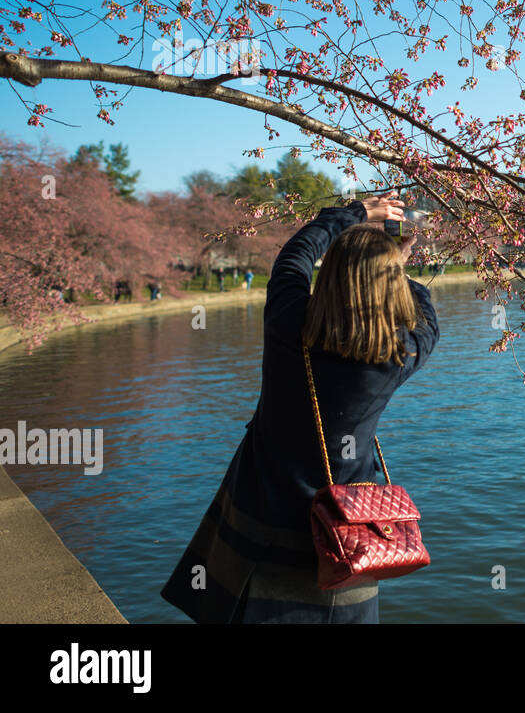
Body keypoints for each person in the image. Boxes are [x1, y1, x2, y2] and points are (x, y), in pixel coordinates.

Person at [160, 192, 439, 623]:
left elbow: (295, 256)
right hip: (344, 534)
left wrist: (356, 214)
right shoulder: (397, 354)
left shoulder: (288, 321)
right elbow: (425, 316)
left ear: (330, 276)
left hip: (257, 519)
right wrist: (396, 261)